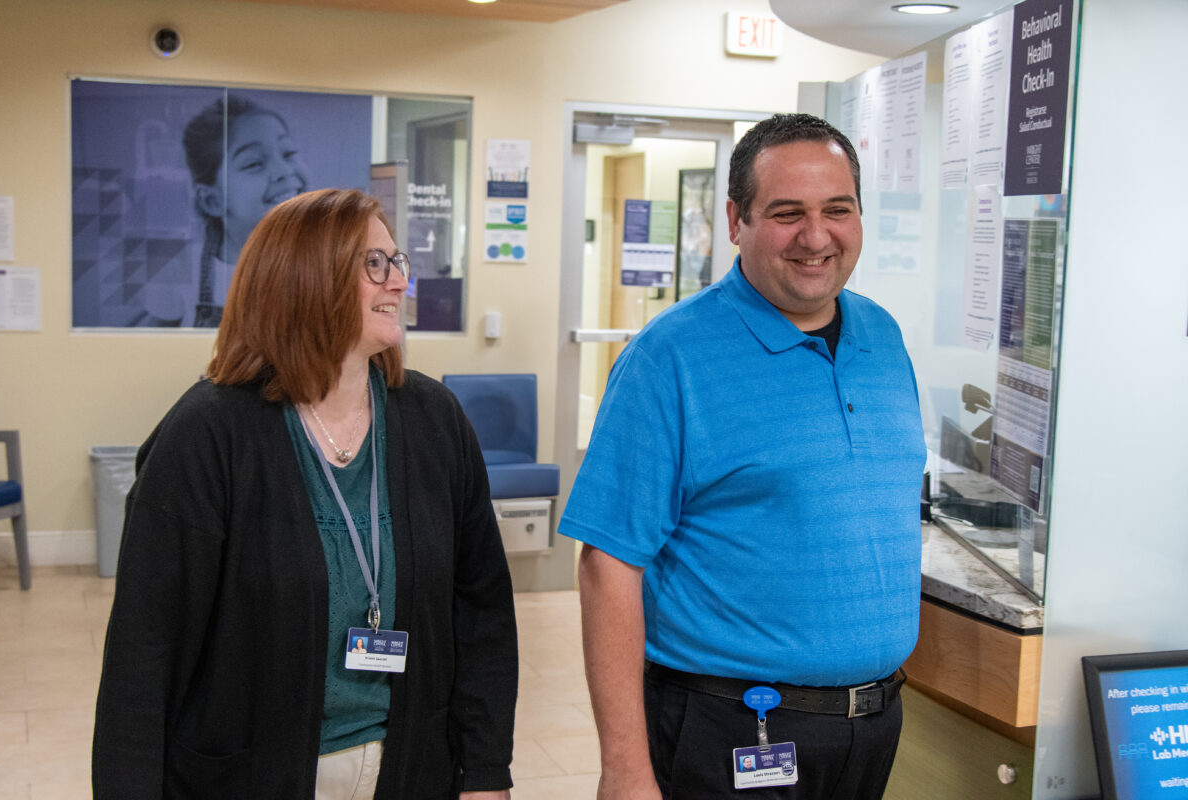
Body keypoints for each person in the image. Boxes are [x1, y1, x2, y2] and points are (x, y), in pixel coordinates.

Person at [93, 188, 517, 799]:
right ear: (304, 279)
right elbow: (143, 657)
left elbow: (482, 613)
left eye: (397, 262)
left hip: (412, 770)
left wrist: (484, 772)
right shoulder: (206, 435)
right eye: (374, 263)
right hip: (249, 776)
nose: (398, 281)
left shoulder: (434, 420)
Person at [560, 113, 926, 800]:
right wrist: (625, 769)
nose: (816, 238)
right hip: (734, 731)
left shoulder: (884, 338)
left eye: (837, 210)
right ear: (736, 220)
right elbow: (608, 566)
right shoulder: (670, 358)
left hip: (872, 728)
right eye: (787, 213)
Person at [178, 94, 309, 327]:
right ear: (212, 200)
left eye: (288, 153)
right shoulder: (184, 269)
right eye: (253, 163)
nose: (283, 171)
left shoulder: (326, 265)